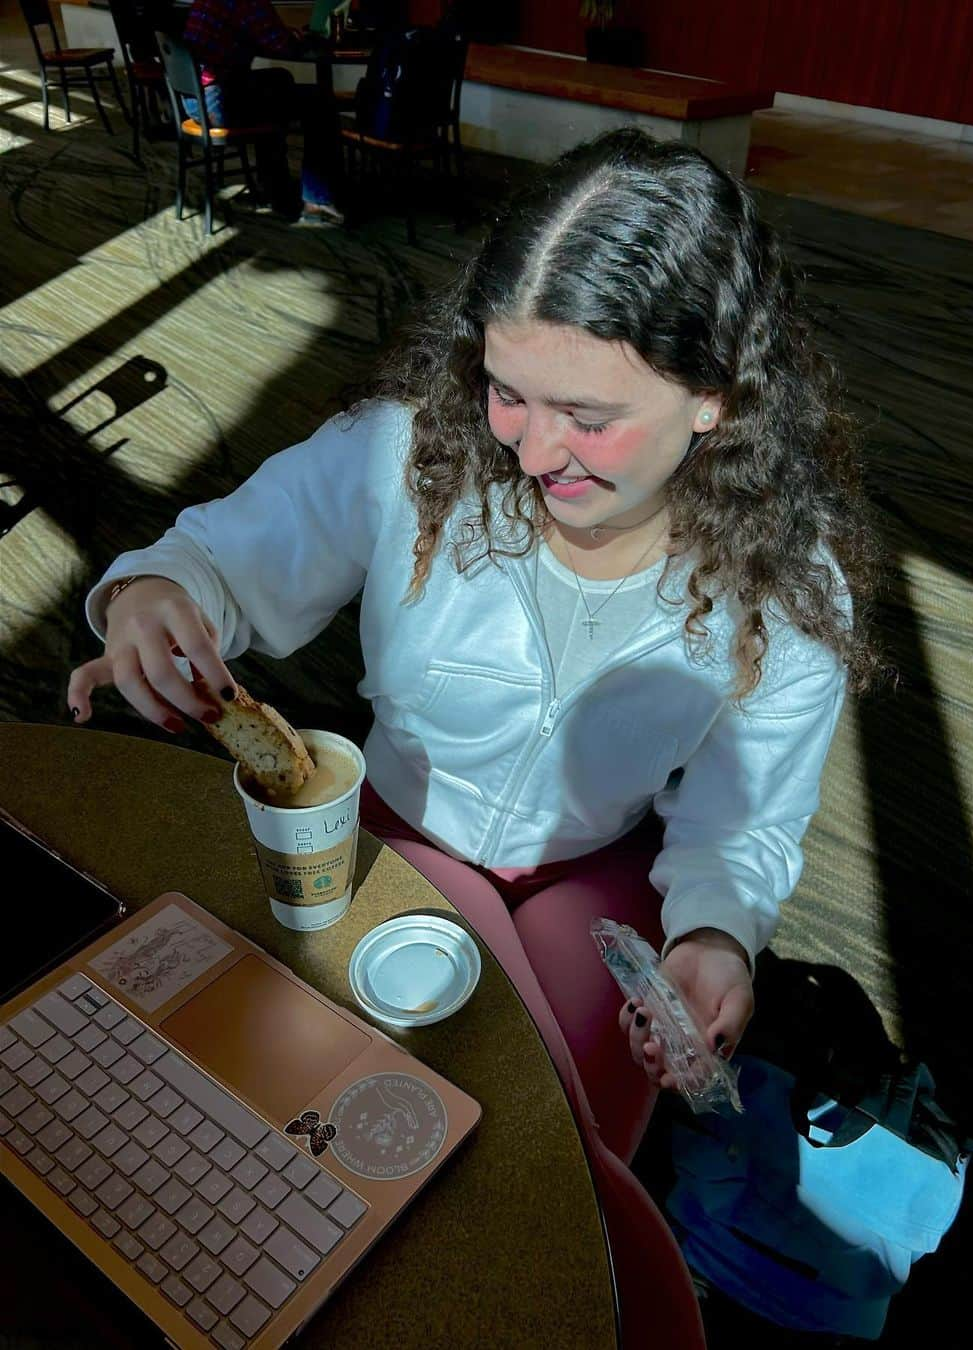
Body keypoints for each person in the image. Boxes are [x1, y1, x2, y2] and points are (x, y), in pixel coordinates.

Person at [68, 129, 878, 1168]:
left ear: (714, 393)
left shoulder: (788, 591)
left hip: (603, 870)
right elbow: (227, 556)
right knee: (332, 1107)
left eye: (587, 416)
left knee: (542, 1153)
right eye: (508, 390)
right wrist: (156, 593)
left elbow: (743, 820)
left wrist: (716, 933)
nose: (532, 452)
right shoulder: (410, 454)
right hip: (391, 825)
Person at [180, 0, 344, 224]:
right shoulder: (249, 3)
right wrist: (300, 40)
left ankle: (275, 190)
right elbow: (279, 45)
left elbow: (259, 35)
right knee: (319, 103)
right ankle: (318, 202)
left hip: (193, 99)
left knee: (279, 82)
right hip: (217, 103)